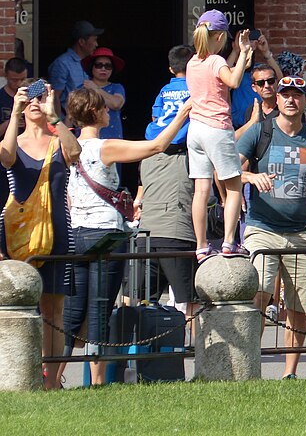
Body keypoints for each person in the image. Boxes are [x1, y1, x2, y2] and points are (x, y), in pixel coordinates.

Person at [61, 88, 191, 385]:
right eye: (105, 108)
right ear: (95, 112)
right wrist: (182, 115)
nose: (110, 112)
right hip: (106, 233)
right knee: (99, 309)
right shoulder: (104, 147)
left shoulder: (67, 146)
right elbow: (157, 146)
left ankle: (53, 377)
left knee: (71, 311)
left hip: (77, 232)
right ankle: (95, 382)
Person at [237, 75, 306, 379]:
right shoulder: (259, 132)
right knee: (259, 295)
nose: (291, 100)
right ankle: (249, 367)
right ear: (277, 100)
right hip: (262, 228)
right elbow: (228, 171)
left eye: (297, 95)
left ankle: (289, 373)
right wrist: (251, 177)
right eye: (285, 95)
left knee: (298, 306)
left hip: (301, 232)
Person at [0, 80, 81, 389]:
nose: (35, 102)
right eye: (29, 97)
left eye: (41, 96)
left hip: (58, 231)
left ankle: (53, 380)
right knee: (20, 306)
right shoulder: (14, 140)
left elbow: (75, 153)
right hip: (18, 233)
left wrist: (54, 115)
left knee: (53, 309)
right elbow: (6, 156)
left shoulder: (58, 138)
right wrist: (16, 113)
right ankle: (23, 375)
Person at [186, 9, 252, 261]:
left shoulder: (193, 62)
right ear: (221, 36)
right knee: (233, 187)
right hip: (217, 127)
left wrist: (238, 55)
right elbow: (233, 81)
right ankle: (228, 242)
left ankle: (201, 245)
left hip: (196, 129)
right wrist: (244, 51)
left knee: (201, 190)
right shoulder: (216, 61)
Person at [136, 44, 196, 316]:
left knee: (144, 301)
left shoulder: (163, 90)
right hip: (184, 142)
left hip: (157, 138)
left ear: (171, 69)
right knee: (187, 296)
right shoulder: (197, 87)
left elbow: (154, 115)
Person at [48, 20, 102, 121]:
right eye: (94, 40)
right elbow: (55, 97)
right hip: (69, 124)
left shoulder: (89, 62)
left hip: (86, 123)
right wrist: (58, 126)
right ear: (81, 42)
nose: (96, 44)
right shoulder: (62, 63)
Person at [229, 29, 283, 129]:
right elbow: (221, 80)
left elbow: (280, 81)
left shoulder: (258, 70)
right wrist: (236, 50)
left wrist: (266, 52)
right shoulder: (231, 71)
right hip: (239, 123)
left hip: (261, 120)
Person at [81, 47, 126, 139]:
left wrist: (95, 88)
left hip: (113, 140)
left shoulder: (117, 87)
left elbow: (116, 104)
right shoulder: (81, 89)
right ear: (92, 67)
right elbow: (71, 115)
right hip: (87, 140)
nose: (103, 68)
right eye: (99, 65)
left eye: (108, 66)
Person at [235, 63, 281, 139]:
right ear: (254, 88)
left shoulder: (286, 108)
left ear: (277, 82)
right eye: (260, 83)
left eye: (270, 81)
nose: (266, 86)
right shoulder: (252, 111)